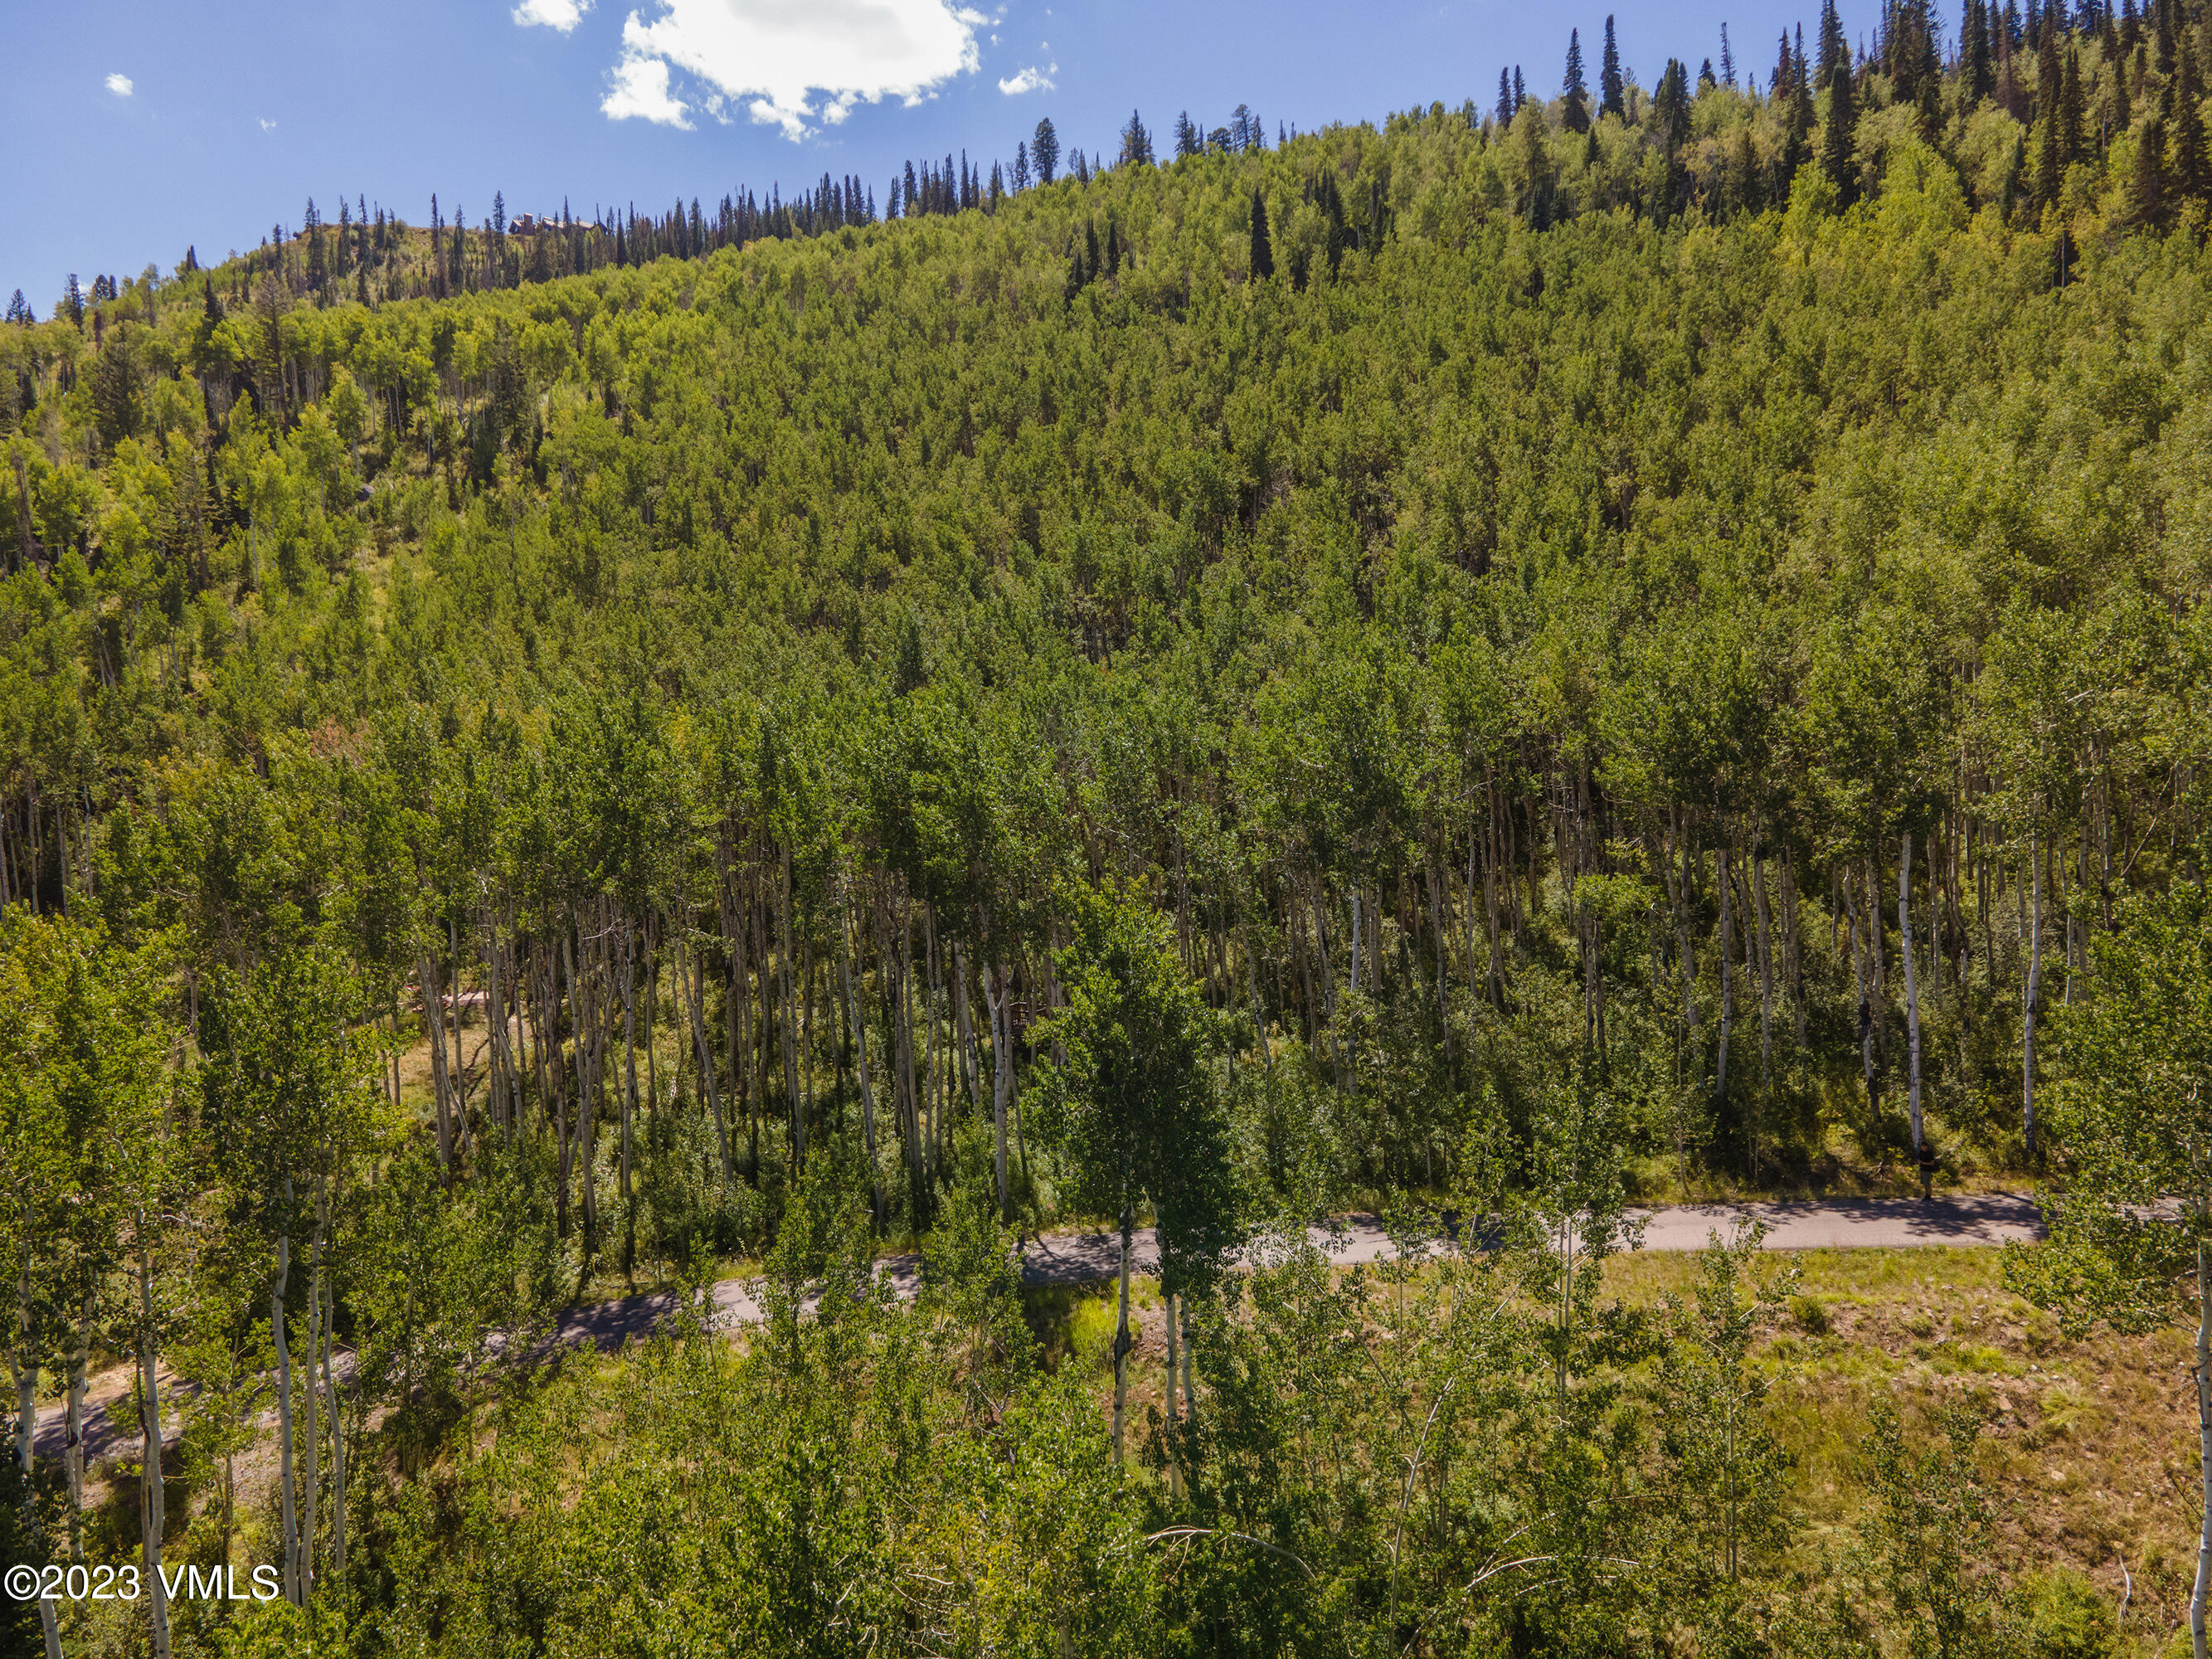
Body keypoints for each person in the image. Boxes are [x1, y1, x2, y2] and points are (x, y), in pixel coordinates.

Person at [1915, 1136, 1938, 1201]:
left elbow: (1932, 1163)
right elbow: (1918, 1158)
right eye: (1921, 1146)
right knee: (1924, 1183)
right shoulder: (1921, 1152)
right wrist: (1919, 1161)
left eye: (1923, 1146)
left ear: (1926, 1147)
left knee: (1928, 1183)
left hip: (1928, 1170)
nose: (1922, 1147)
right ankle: (1926, 1195)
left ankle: (1929, 1195)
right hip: (1922, 1170)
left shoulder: (1929, 1153)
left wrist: (1924, 1163)